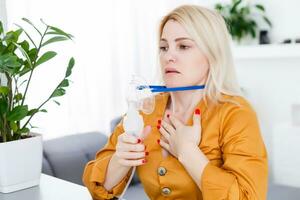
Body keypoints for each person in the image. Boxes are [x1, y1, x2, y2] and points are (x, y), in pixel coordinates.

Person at [83, 5, 268, 200]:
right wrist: (120, 160)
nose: (168, 57)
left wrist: (187, 151)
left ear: (212, 54)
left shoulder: (236, 113)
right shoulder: (145, 109)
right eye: (163, 47)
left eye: (183, 46)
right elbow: (96, 189)